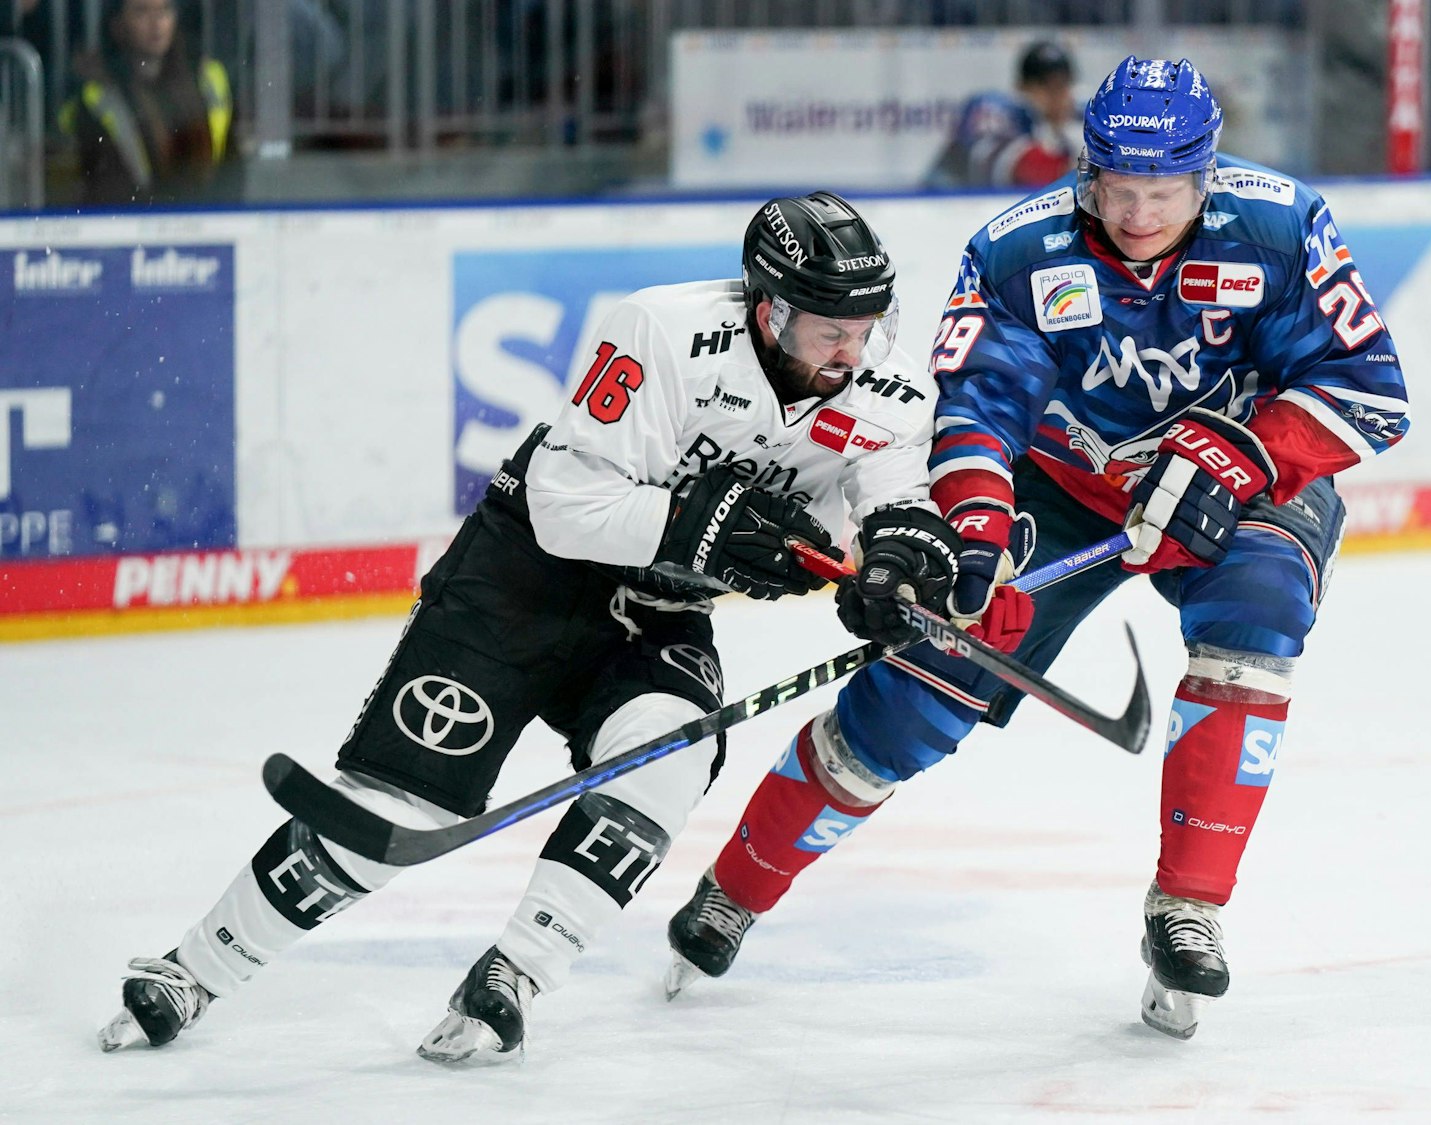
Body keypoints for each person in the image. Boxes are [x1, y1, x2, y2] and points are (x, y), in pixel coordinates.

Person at [97, 192, 969, 1063]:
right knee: (400, 804)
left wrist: (896, 570)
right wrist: (690, 524)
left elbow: (896, 505)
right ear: (770, 310)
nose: (853, 353)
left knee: (670, 753)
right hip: (522, 577)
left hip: (657, 610)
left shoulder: (888, 387)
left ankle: (513, 973)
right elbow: (562, 504)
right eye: (830, 332)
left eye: (867, 328)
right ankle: (194, 968)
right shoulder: (663, 332)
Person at [660, 56, 1411, 1040]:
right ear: (1087, 168)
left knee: (1259, 613)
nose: (1137, 214)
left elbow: (1367, 387)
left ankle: (1188, 906)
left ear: (1207, 175)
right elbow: (977, 410)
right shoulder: (1018, 252)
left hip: (1236, 477)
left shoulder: (1281, 226)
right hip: (1056, 489)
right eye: (1119, 188)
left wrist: (1245, 453)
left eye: (1164, 192)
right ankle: (737, 886)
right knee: (917, 697)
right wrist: (975, 535)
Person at [58, 0, 237, 206]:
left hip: (211, 212)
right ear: (117, 24)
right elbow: (104, 184)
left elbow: (232, 165)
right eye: (141, 12)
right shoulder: (97, 95)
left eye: (165, 10)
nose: (156, 23)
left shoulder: (207, 78)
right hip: (133, 215)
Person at [925, 39, 1078, 190]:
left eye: (1065, 86)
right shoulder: (996, 108)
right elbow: (1012, 165)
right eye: (1051, 87)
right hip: (938, 201)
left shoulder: (1058, 136)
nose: (1061, 97)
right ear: (1022, 87)